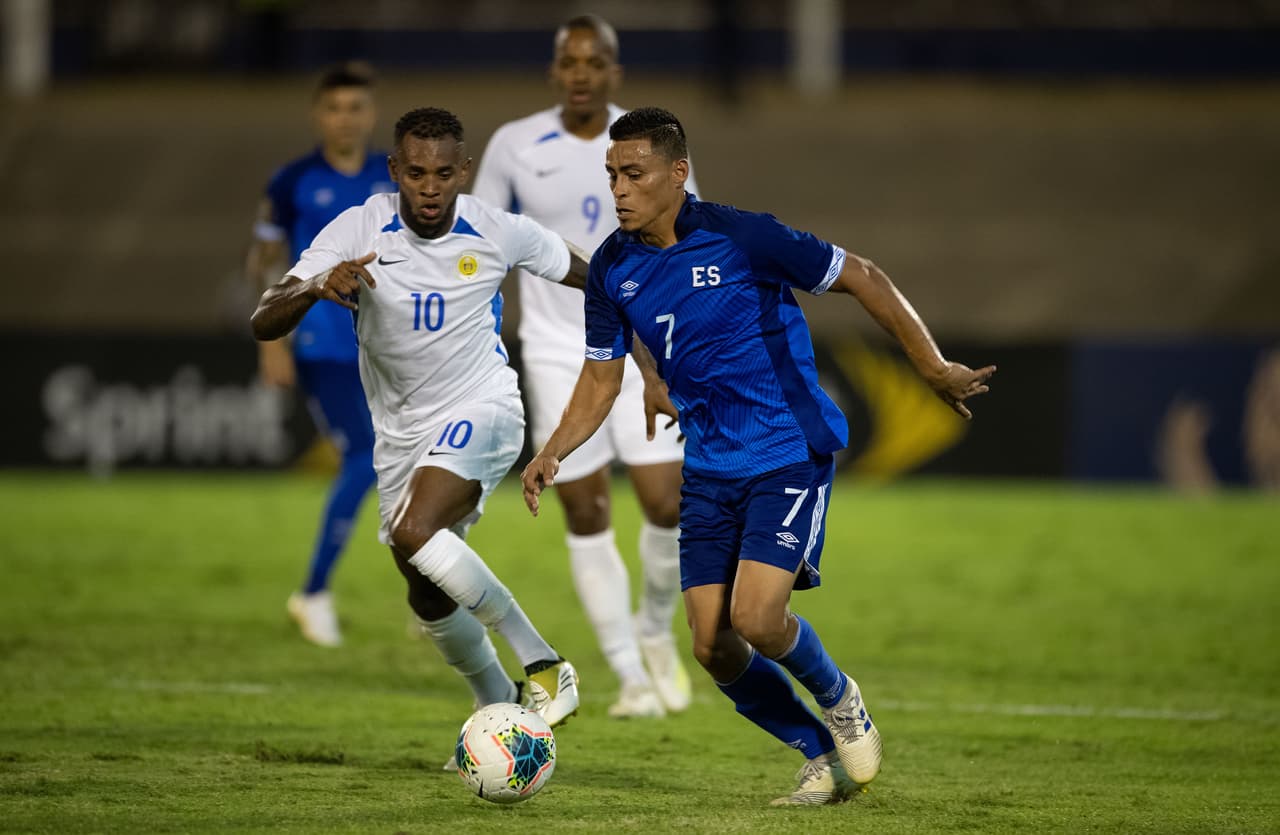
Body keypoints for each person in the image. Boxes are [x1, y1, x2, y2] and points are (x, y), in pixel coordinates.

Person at [521, 107, 996, 805]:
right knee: (711, 644)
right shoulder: (613, 268)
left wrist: (929, 367)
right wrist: (553, 448)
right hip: (710, 465)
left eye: (633, 174)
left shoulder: (744, 237)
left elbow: (863, 274)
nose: (618, 189)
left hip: (786, 448)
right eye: (612, 174)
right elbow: (601, 377)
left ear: (677, 174)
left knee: (758, 618)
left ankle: (840, 698)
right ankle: (818, 754)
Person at [251, 106, 586, 729]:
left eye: (441, 173)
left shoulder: (496, 230)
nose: (428, 187)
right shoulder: (357, 228)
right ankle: (496, 704)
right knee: (427, 588)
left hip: (484, 406)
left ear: (464, 171)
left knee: (414, 533)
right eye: (415, 173)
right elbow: (264, 316)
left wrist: (648, 351)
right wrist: (314, 284)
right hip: (401, 434)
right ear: (394, 171)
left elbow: (593, 275)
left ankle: (544, 662)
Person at [471, 14, 693, 719]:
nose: (581, 72)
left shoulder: (650, 138)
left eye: (594, 61)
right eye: (569, 60)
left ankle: (655, 631)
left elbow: (688, 236)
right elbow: (478, 241)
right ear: (554, 69)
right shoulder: (514, 144)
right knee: (586, 505)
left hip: (646, 340)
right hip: (556, 346)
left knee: (667, 501)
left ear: (614, 71)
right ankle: (629, 674)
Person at [246, 62, 394, 647]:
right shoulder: (293, 180)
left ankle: (433, 590)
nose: (346, 118)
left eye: (356, 107)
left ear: (371, 113)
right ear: (318, 115)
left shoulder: (395, 175)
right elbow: (262, 258)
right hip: (322, 345)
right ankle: (312, 592)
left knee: (418, 464)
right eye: (334, 108)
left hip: (390, 348)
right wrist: (273, 340)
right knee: (364, 457)